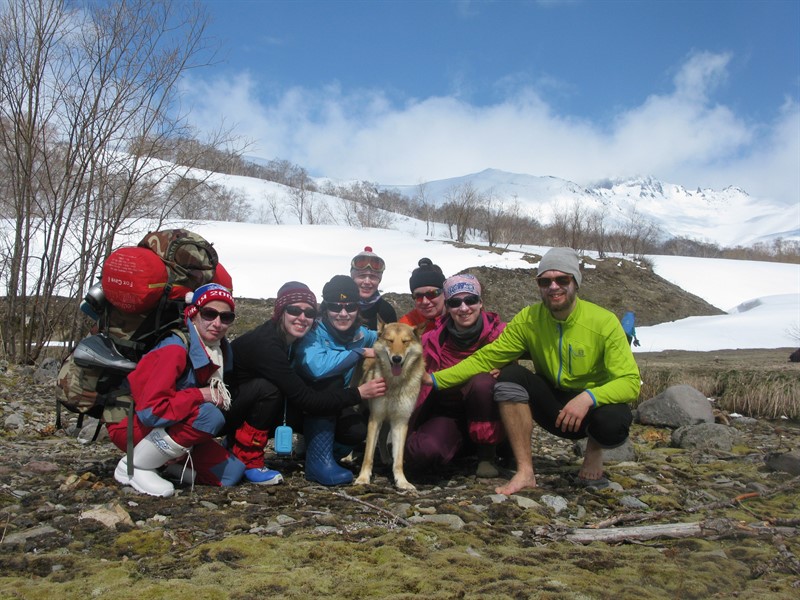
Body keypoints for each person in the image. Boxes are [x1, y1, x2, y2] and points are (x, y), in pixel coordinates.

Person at [428, 248, 640, 495]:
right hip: (554, 405)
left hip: (591, 409)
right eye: (545, 281)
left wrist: (588, 398)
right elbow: (486, 357)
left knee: (612, 421)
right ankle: (525, 471)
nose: (553, 287)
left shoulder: (603, 322)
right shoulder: (529, 319)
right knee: (509, 377)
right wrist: (434, 380)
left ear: (575, 282)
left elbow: (630, 382)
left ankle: (593, 451)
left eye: (562, 279)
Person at [225, 282, 386, 486]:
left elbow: (389, 336)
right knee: (271, 389)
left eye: (309, 312)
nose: (302, 318)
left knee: (353, 429)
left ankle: (316, 453)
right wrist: (358, 388)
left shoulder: (293, 336)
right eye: (294, 310)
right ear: (280, 311)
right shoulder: (269, 344)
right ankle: (250, 458)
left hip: (272, 404)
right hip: (234, 409)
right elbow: (310, 390)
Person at [109, 283, 246, 497]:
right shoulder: (174, 349)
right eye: (209, 314)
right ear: (193, 313)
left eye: (226, 317)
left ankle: (161, 463)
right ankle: (135, 467)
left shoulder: (218, 351)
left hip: (175, 427)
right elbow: (152, 411)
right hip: (130, 424)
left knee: (231, 474)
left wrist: (183, 443)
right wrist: (201, 394)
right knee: (209, 416)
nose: (217, 323)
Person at [405, 274, 506, 478]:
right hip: (448, 413)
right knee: (422, 453)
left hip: (490, 413)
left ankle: (486, 454)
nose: (463, 308)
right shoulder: (431, 339)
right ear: (448, 306)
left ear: (480, 302)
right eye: (455, 302)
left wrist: (505, 371)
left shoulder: (501, 335)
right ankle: (463, 445)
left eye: (470, 300)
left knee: (481, 383)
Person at [350, 246, 397, 330]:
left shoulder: (386, 311)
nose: (367, 282)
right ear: (353, 278)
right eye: (362, 276)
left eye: (373, 277)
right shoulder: (339, 305)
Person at [398, 257, 447, 334]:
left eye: (432, 294)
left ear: (445, 293)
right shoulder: (405, 326)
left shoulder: (460, 317)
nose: (425, 301)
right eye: (418, 296)